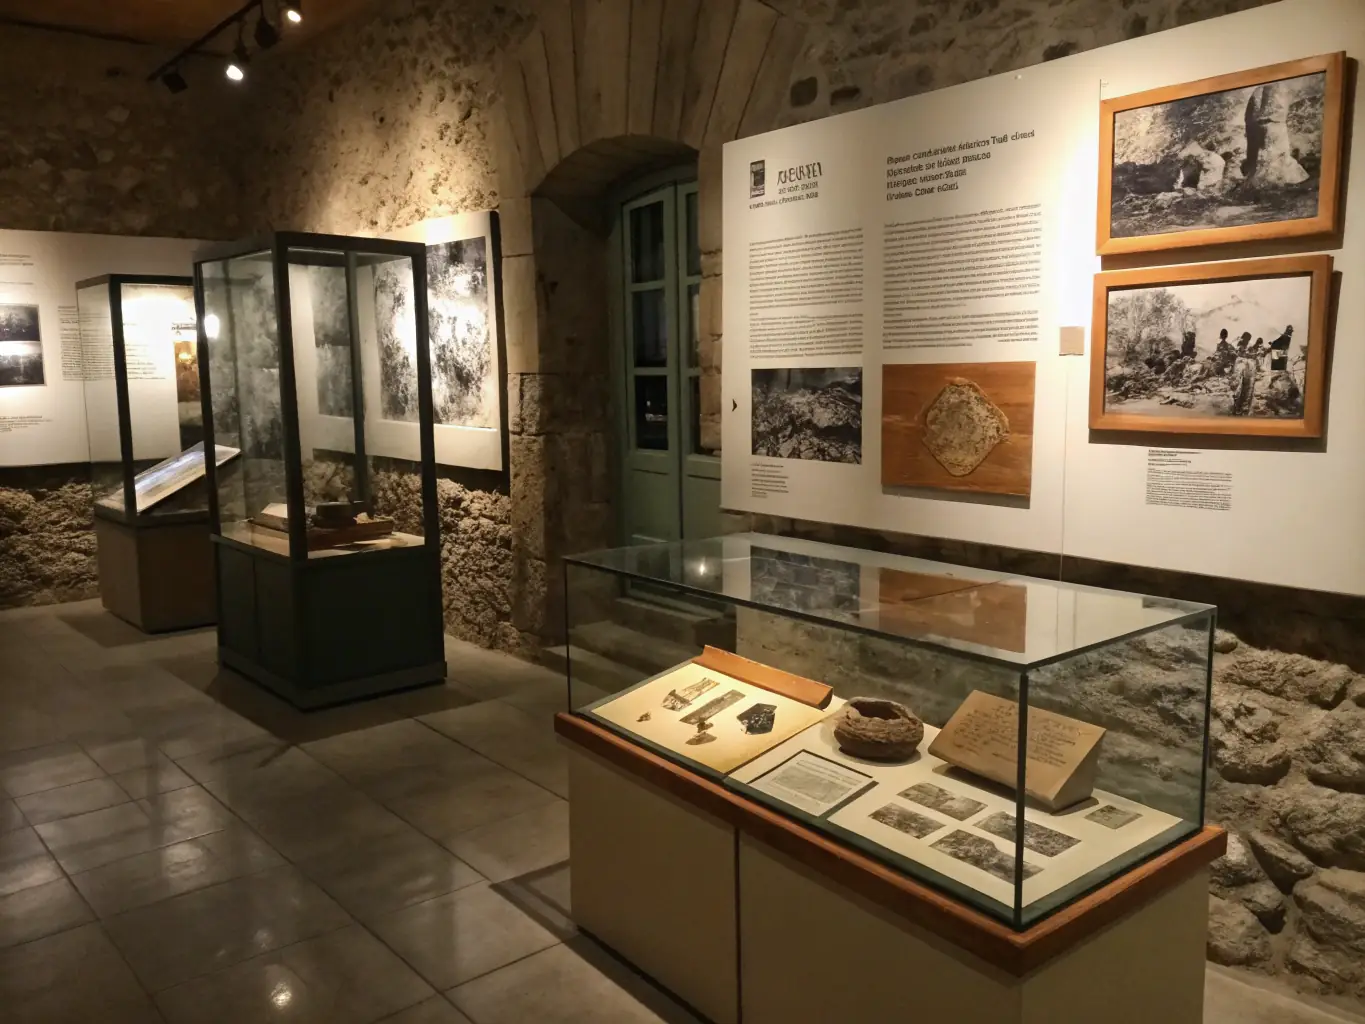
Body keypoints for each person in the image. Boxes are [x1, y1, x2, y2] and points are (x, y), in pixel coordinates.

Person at [1231, 332, 1256, 415]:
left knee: (1247, 386)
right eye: (1247, 339)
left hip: (1246, 367)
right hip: (1240, 366)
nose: (1247, 341)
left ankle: (1243, 407)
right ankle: (1237, 407)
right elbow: (1236, 352)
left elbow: (1251, 354)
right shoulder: (1238, 344)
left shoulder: (1248, 346)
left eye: (1248, 340)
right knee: (1239, 387)